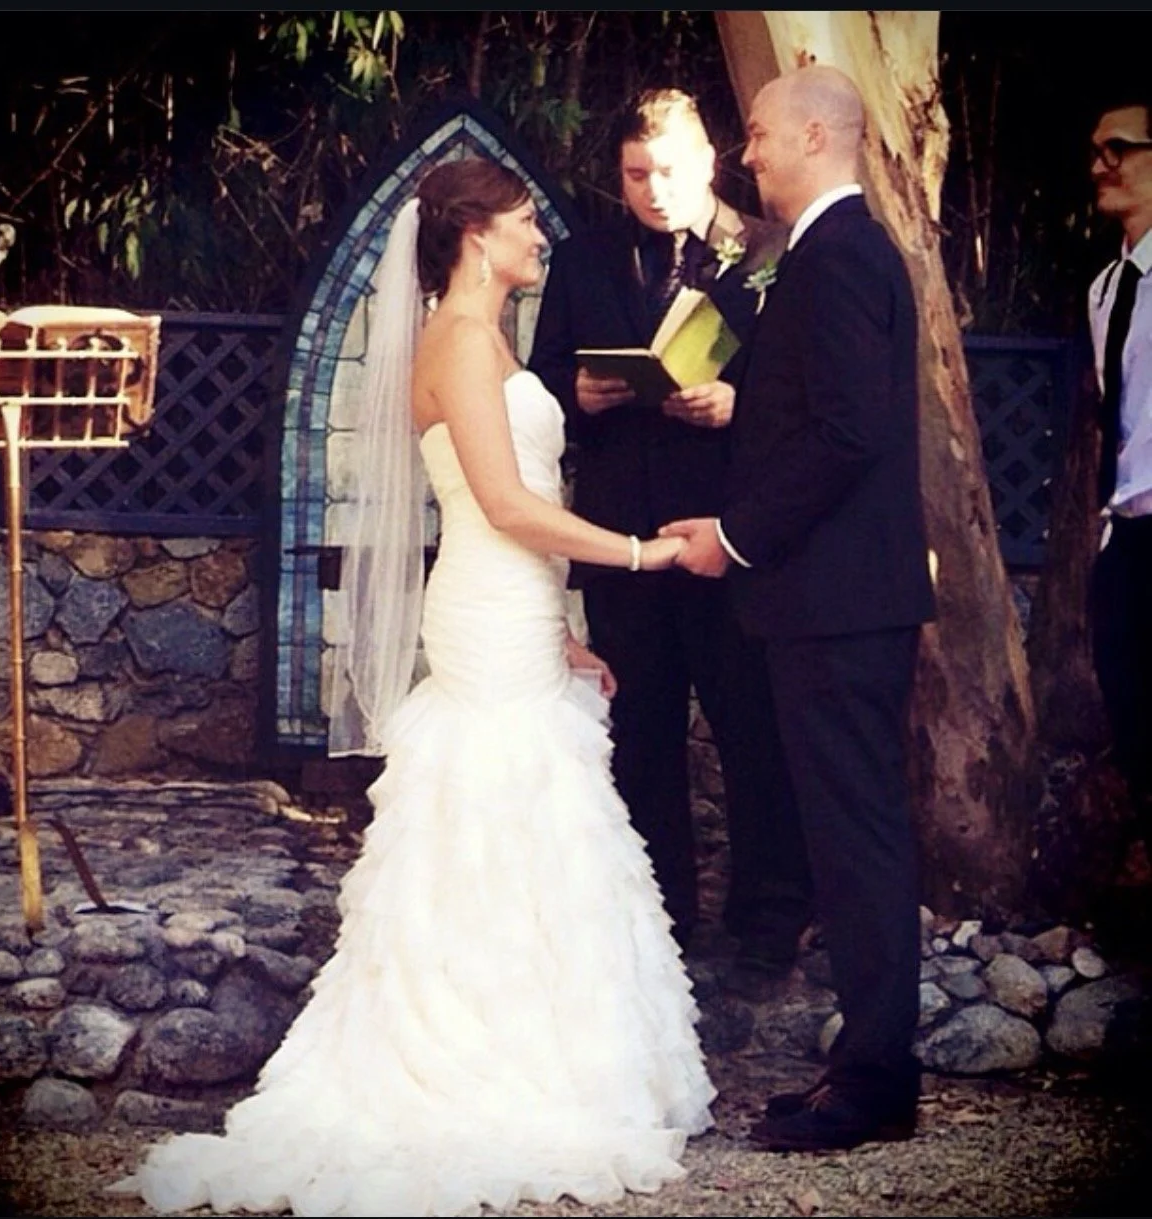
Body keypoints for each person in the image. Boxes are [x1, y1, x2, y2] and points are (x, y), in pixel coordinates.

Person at [113, 159, 716, 1217]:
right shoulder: (456, 344)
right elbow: (506, 506)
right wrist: (643, 556)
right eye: (528, 222)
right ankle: (468, 1056)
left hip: (518, 609)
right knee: (489, 814)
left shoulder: (489, 340)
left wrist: (566, 628)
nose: (543, 238)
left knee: (538, 821)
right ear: (479, 233)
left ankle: (539, 1047)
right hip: (487, 613)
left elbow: (515, 509)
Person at [663, 64, 937, 1152]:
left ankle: (874, 1082)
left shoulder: (839, 258)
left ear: (819, 137)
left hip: (837, 605)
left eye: (764, 134)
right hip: (828, 603)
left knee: (859, 840)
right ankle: (861, 1069)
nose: (750, 153)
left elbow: (846, 435)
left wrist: (732, 540)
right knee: (845, 836)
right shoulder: (822, 257)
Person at [529, 87, 813, 987]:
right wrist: (580, 395)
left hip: (731, 533)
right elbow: (538, 388)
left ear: (711, 162)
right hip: (620, 536)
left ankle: (772, 915)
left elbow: (813, 396)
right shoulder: (582, 261)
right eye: (635, 173)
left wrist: (740, 403)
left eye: (669, 171)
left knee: (751, 726)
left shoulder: (770, 251)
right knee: (639, 730)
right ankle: (660, 914)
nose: (652, 189)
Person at [1086, 92, 1152, 860]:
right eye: (1096, 150)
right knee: (1134, 728)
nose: (1101, 164)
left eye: (1121, 148)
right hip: (1127, 539)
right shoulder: (1107, 287)